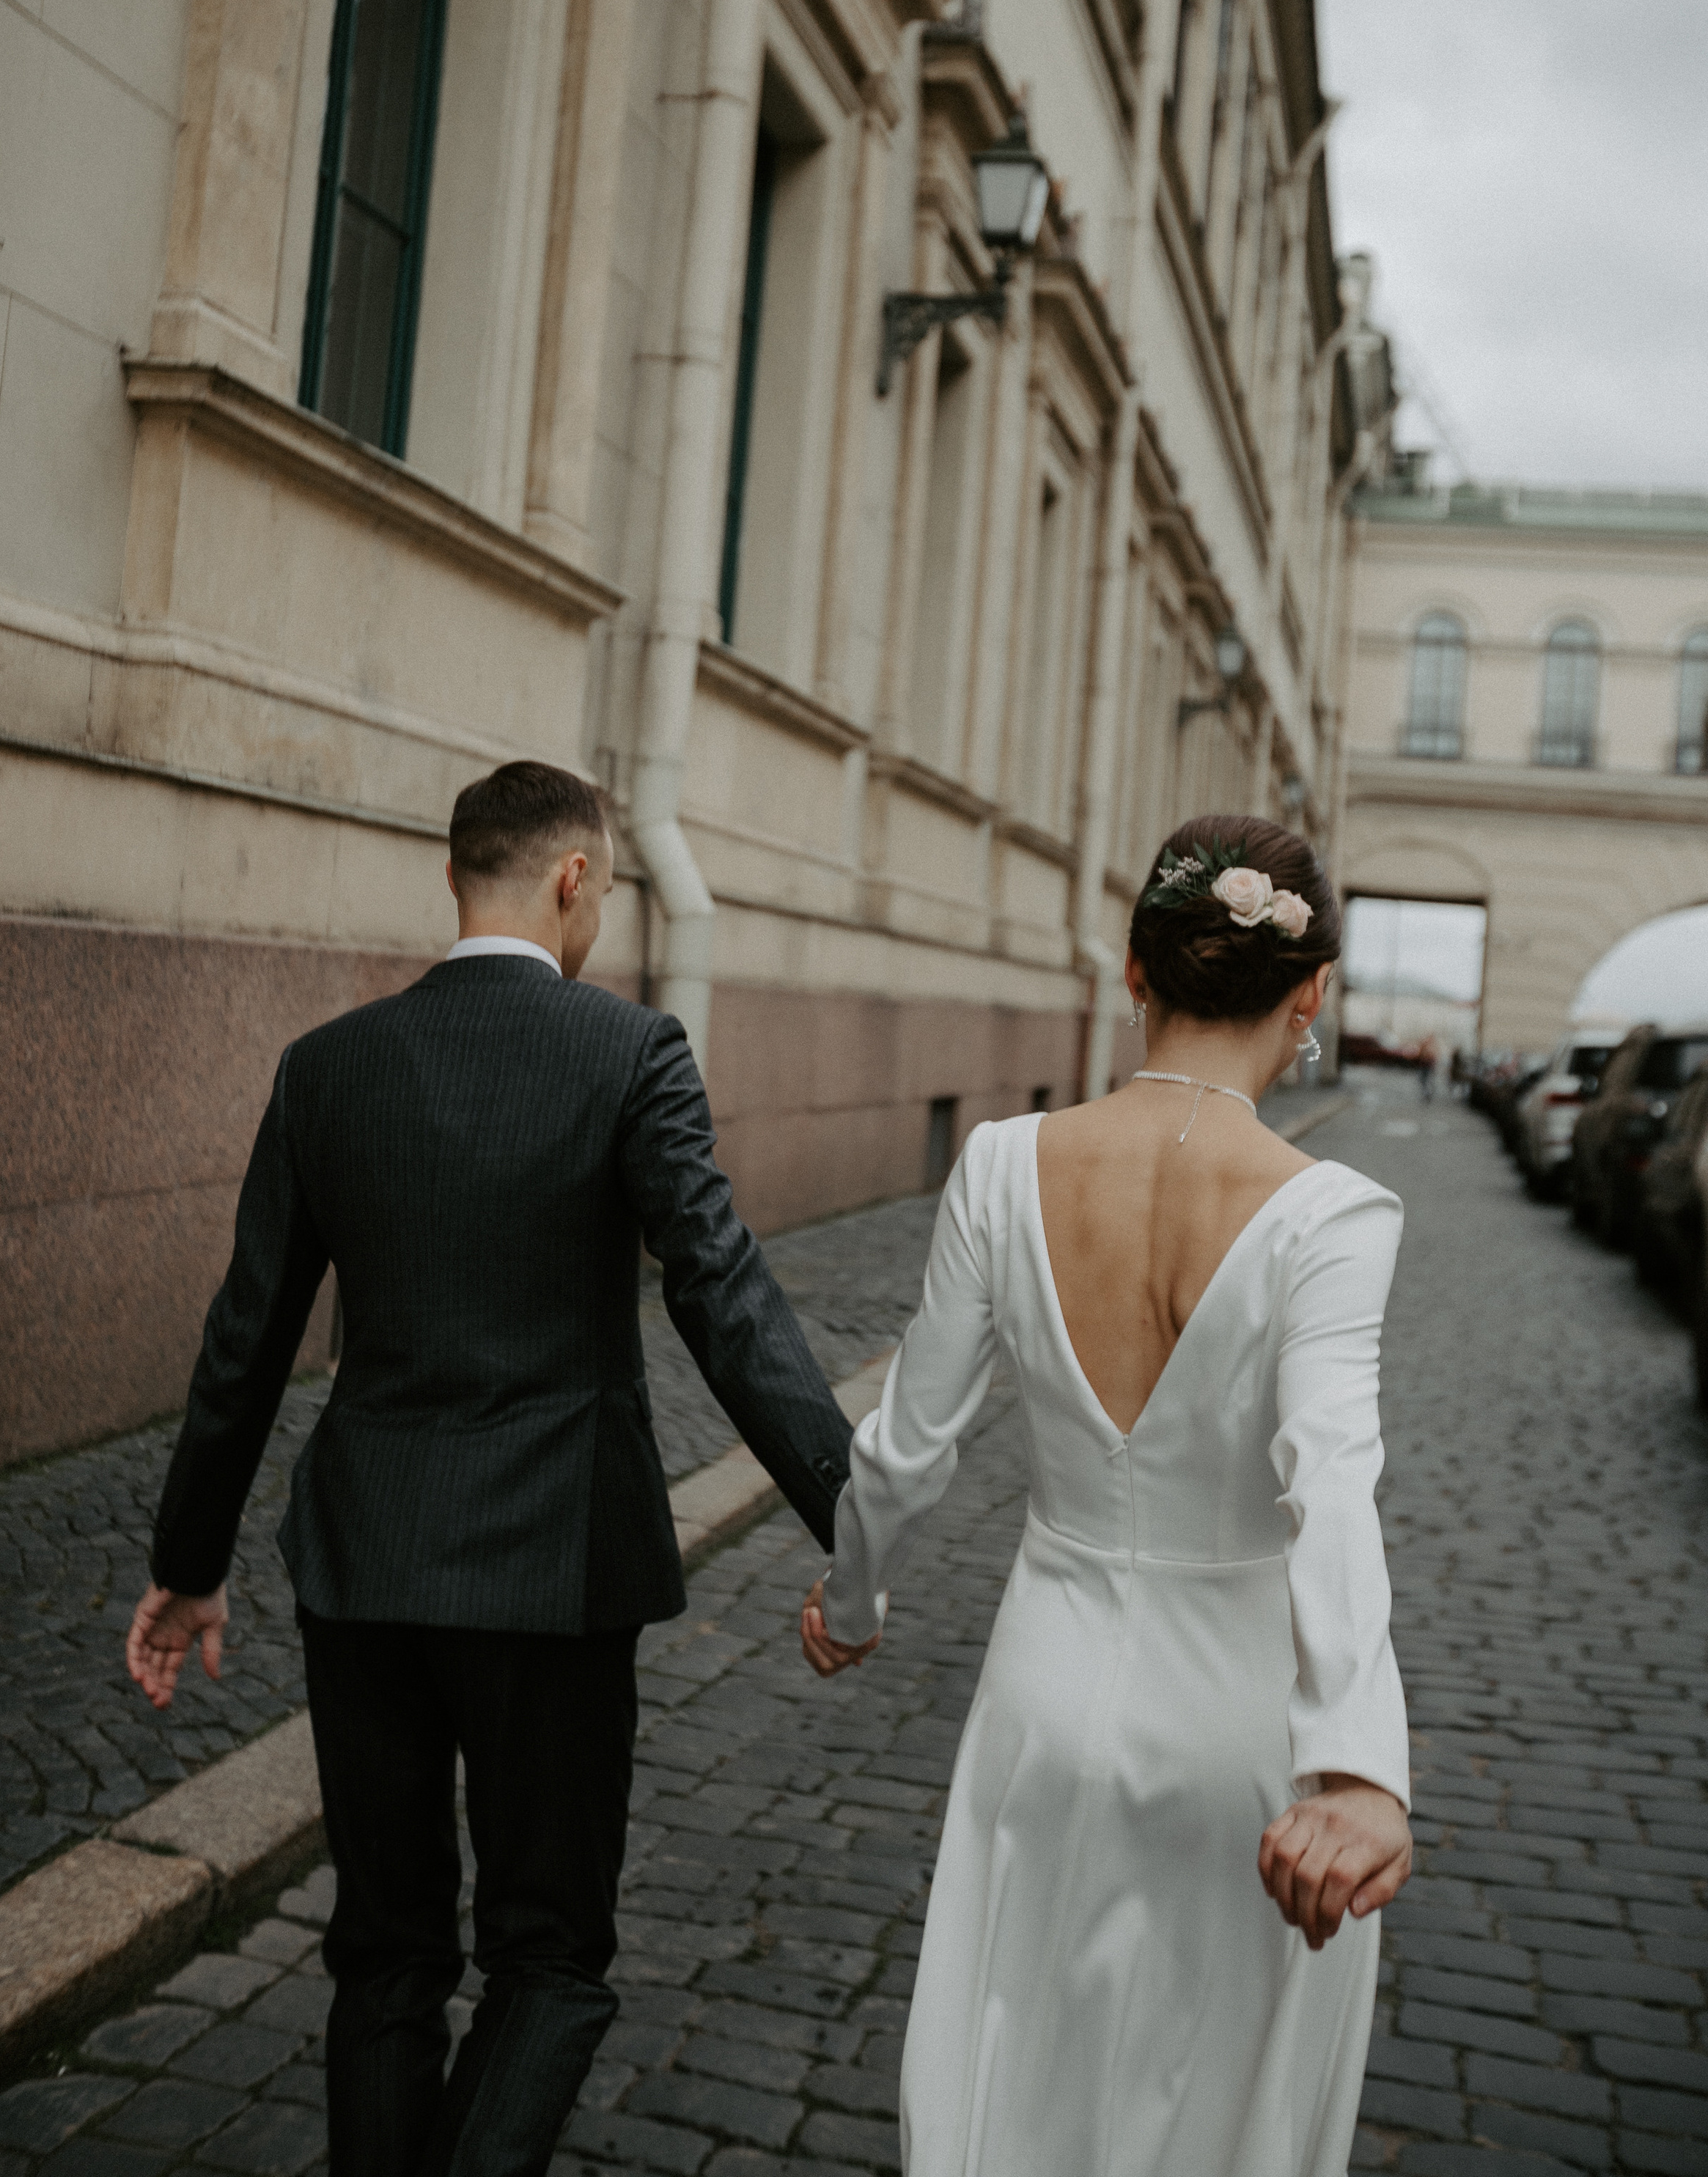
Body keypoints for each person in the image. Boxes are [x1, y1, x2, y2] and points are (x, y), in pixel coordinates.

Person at [125, 759, 855, 2177]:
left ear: (453, 874)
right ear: (575, 878)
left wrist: (189, 1564)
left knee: (385, 1954)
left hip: (366, 1563)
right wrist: (851, 1510)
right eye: (608, 889)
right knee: (549, 1959)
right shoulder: (630, 1054)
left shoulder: (329, 1067)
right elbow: (718, 1289)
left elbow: (245, 1340)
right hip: (552, 1572)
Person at [803, 814, 1411, 2177]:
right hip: (1245, 1735)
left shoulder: (1000, 1164)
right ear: (1311, 994)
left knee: (1008, 2072)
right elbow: (1333, 1485)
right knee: (1218, 2113)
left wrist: (854, 1596)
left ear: (1134, 968)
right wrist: (1358, 1766)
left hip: (1044, 1696)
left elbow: (909, 1442)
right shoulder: (1333, 1216)